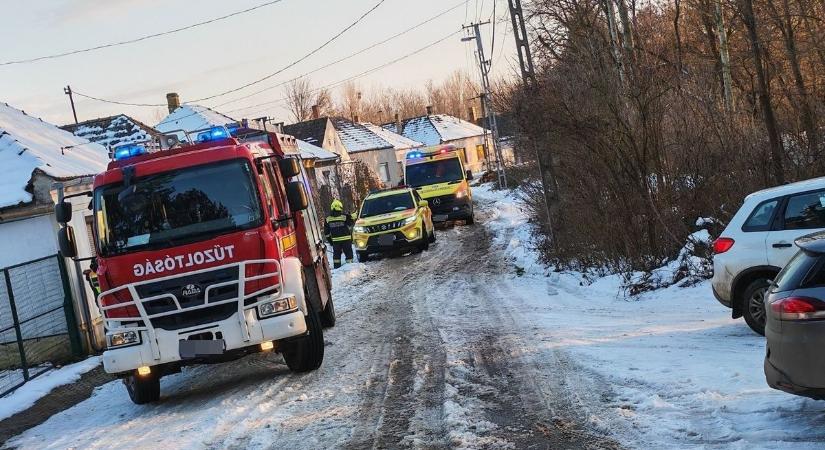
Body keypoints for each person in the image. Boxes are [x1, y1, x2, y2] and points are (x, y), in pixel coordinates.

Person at [324, 199, 354, 268]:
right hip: (347, 240)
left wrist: (330, 242)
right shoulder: (344, 217)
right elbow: (351, 223)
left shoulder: (328, 219)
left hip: (336, 242)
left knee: (336, 256)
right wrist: (349, 216)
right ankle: (351, 267)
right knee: (349, 254)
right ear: (340, 207)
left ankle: (337, 268)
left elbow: (327, 233)